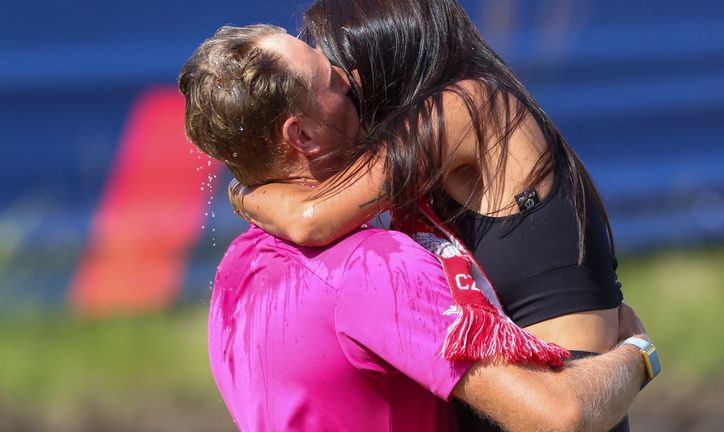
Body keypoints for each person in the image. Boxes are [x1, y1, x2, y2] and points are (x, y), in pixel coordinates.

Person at [179, 24, 659, 431]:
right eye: (330, 79)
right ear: (301, 134)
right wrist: (634, 356)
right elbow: (561, 416)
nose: (351, 79)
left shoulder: (235, 274)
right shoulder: (374, 269)